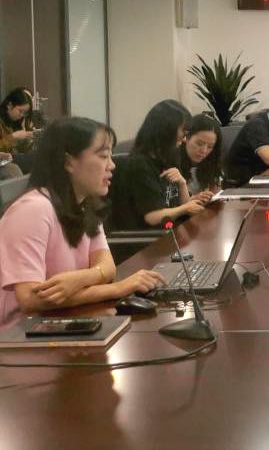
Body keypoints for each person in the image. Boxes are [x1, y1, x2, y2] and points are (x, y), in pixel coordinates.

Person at [0, 117, 164, 329]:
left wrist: (78, 279)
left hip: (59, 324)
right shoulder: (33, 209)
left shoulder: (85, 205)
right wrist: (117, 289)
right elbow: (31, 298)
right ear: (68, 162)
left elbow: (107, 267)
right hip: (19, 337)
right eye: (103, 156)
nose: (112, 165)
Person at [109, 100, 207, 231]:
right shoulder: (140, 165)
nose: (184, 139)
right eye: (183, 132)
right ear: (167, 130)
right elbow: (152, 217)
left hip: (173, 232)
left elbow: (184, 208)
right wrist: (185, 208)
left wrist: (182, 184)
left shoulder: (169, 158)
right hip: (151, 238)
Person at [180, 114, 223, 196]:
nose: (204, 151)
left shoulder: (212, 162)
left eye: (210, 147)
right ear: (186, 138)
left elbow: (216, 195)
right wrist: (192, 200)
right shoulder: (171, 163)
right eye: (199, 144)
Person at [0, 87, 35, 155]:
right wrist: (13, 137)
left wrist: (27, 140)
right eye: (20, 111)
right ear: (9, 105)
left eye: (25, 113)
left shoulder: (16, 122)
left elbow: (21, 151)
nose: (22, 115)